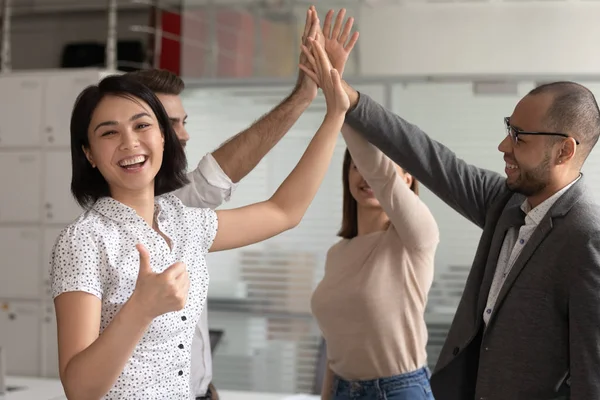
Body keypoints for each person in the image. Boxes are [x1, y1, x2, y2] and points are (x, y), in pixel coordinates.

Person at [49, 42, 350, 400]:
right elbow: (79, 389)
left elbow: (285, 211)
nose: (130, 143)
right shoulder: (84, 240)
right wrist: (140, 310)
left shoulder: (184, 221)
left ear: (163, 137)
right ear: (89, 154)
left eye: (142, 126)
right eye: (109, 132)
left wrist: (334, 116)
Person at [321, 64, 600, 398]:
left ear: (564, 150)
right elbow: (426, 155)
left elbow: (592, 374)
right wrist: (348, 99)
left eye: (519, 137)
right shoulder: (504, 203)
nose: (503, 146)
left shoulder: (587, 237)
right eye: (509, 129)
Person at [124, 8, 325, 399]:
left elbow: (284, 211)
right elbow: (222, 179)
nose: (183, 135)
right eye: (171, 123)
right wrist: (307, 100)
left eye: (184, 121)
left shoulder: (177, 209)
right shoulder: (134, 219)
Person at [301, 15, 438, 400]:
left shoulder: (416, 240)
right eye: (356, 165)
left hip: (399, 390)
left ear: (407, 179)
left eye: (383, 168)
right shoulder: (337, 253)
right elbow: (335, 349)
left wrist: (335, 87)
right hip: (344, 389)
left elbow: (382, 176)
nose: (366, 173)